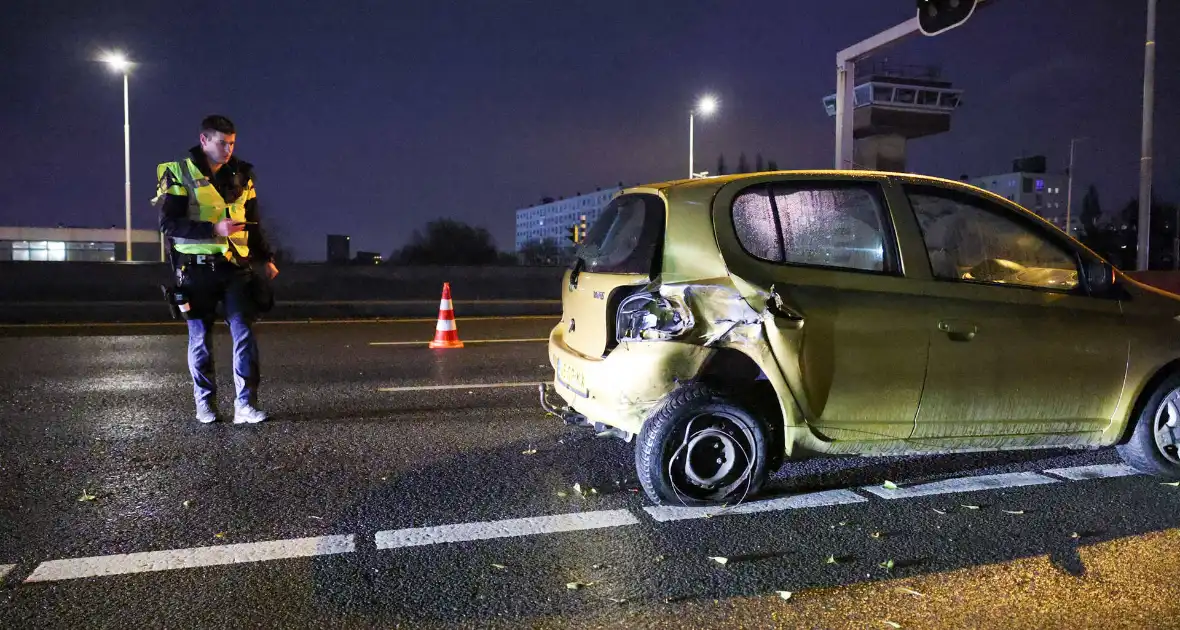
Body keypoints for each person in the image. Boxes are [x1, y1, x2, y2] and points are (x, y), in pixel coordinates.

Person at [156, 114, 279, 424]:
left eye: (232, 143)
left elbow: (252, 220)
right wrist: (214, 229)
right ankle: (205, 404)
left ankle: (245, 405)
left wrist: (266, 257)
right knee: (199, 338)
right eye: (222, 143)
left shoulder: (242, 175)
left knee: (245, 333)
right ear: (204, 141)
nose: (228, 150)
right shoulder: (178, 172)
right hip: (195, 268)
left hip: (235, 266)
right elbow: (168, 224)